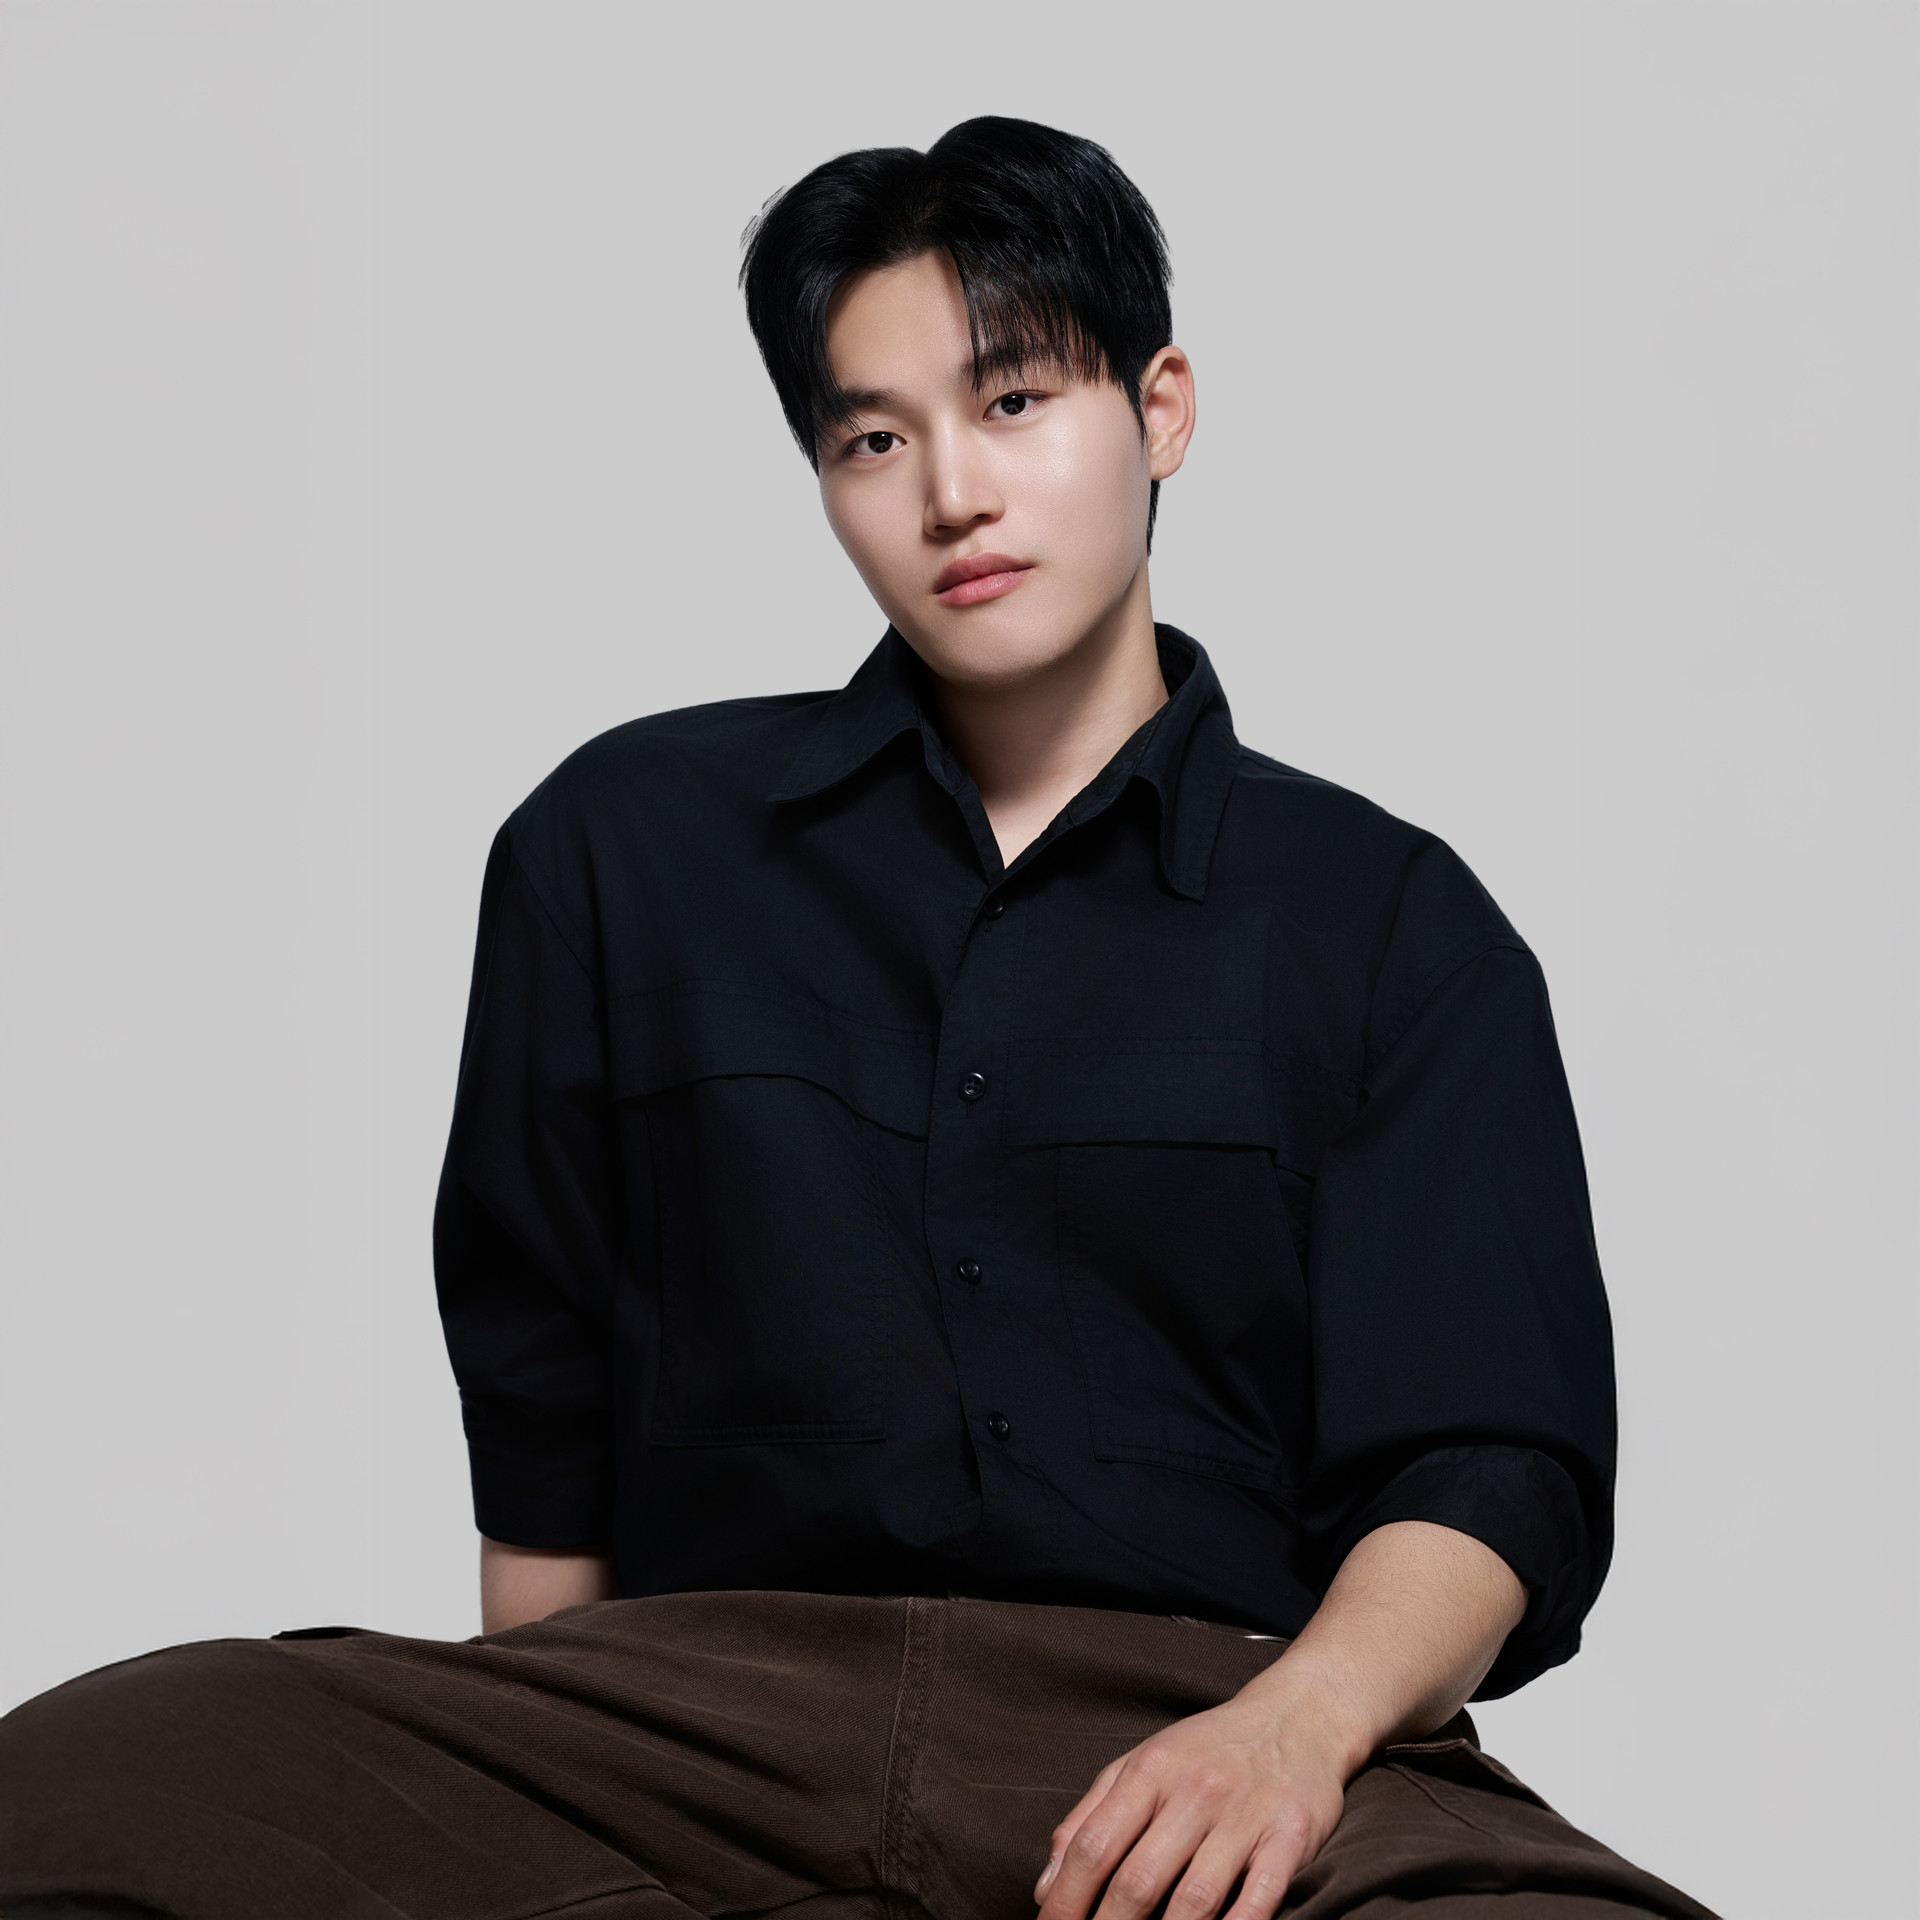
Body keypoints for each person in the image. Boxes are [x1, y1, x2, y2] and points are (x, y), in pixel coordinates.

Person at [0, 117, 1717, 1920]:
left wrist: (1289, 1735)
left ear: (1162, 412)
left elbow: (1491, 1459)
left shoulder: (1390, 924)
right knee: (83, 1793)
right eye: (872, 440)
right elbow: (544, 1423)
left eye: (1015, 403)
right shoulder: (622, 848)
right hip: (693, 1728)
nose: (950, 494)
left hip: (1205, 1716)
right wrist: (547, 1814)